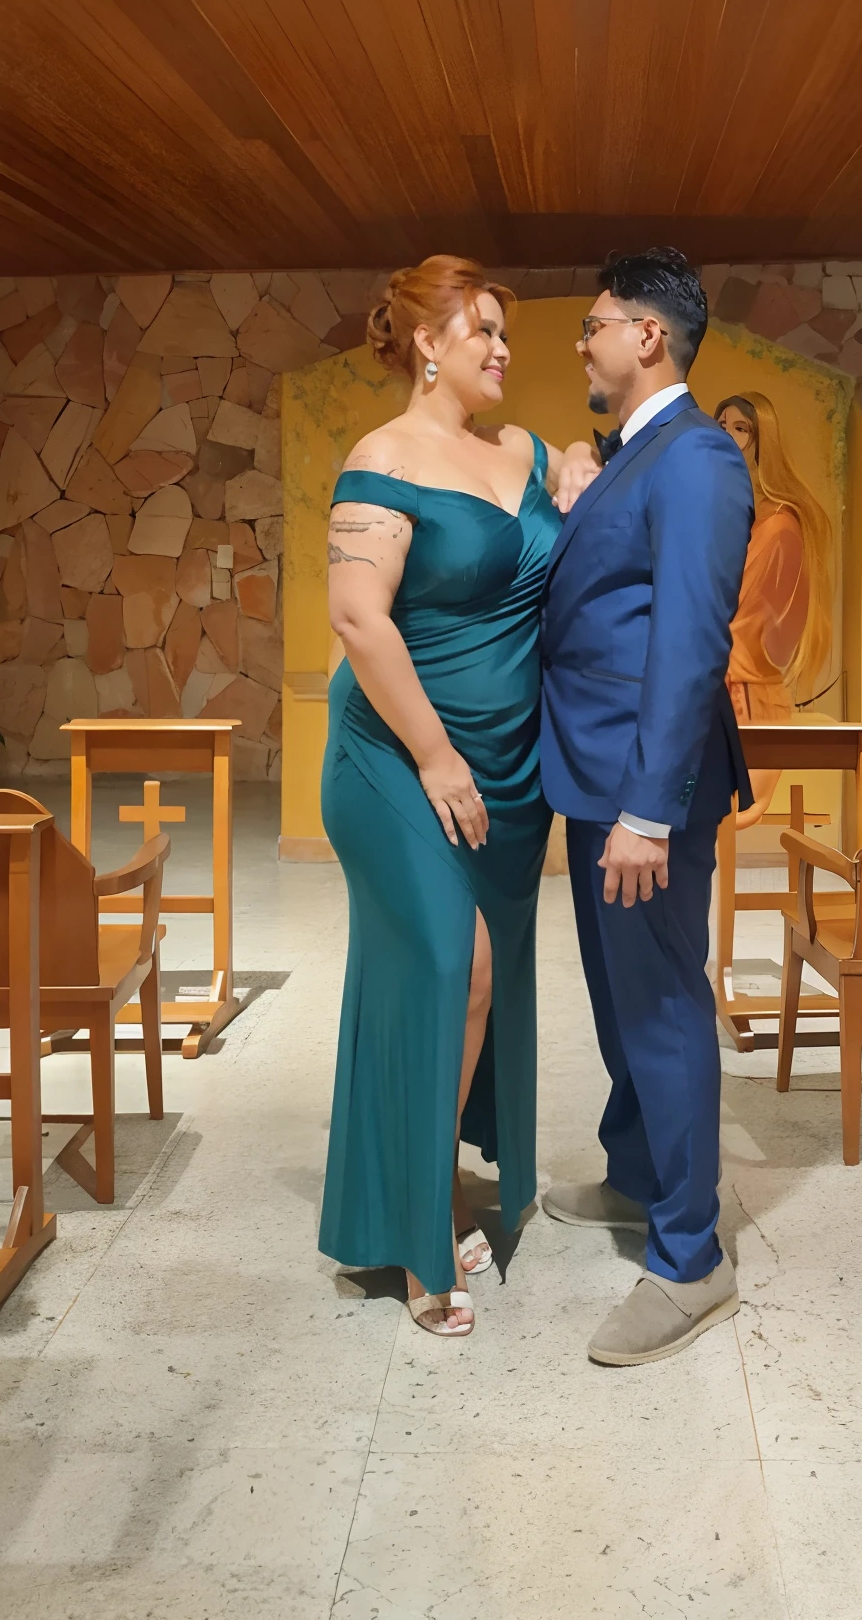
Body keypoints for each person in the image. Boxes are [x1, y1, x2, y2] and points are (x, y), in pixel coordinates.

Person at [318, 256, 597, 1337]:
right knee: (450, 959)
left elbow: (558, 524)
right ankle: (422, 1219)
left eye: (507, 335)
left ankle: (427, 1172)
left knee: (478, 985)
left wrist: (578, 459)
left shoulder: (521, 450)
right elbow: (358, 618)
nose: (501, 349)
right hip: (399, 758)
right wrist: (435, 755)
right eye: (481, 329)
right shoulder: (381, 458)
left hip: (508, 774)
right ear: (427, 341)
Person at [540, 248, 755, 1366]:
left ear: (649, 336)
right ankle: (637, 1175)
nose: (581, 343)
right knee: (622, 1002)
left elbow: (687, 647)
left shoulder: (700, 458)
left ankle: (689, 1256)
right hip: (593, 776)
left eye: (594, 325)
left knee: (664, 1004)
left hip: (640, 787)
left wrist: (650, 811)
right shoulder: (635, 455)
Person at [714, 391, 833, 827]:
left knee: (733, 810)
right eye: (721, 424)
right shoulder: (724, 504)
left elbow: (750, 610)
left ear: (762, 437)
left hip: (741, 680)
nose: (728, 434)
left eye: (740, 427)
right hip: (712, 668)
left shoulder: (779, 523)